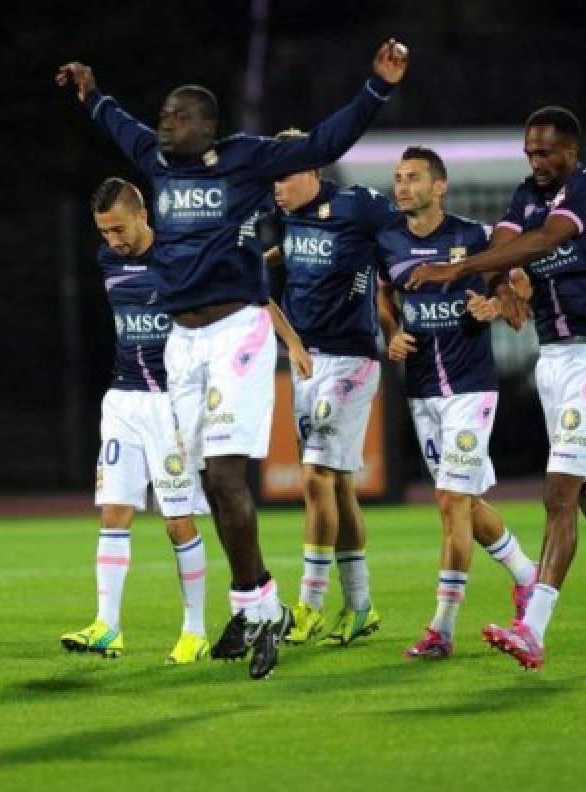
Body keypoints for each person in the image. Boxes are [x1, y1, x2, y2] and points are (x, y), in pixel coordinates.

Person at [56, 39, 408, 680]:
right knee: (208, 486)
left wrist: (376, 89)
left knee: (222, 477)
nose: (165, 123)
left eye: (178, 115)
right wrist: (92, 94)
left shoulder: (246, 159)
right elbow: (118, 125)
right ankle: (260, 604)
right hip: (183, 346)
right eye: (163, 115)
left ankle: (255, 604)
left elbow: (324, 142)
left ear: (206, 124)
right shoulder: (157, 161)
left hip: (235, 331)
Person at [406, 107, 586, 671]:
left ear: (571, 149)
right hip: (554, 357)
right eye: (530, 152)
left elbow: (542, 241)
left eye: (546, 152)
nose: (537, 162)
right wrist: (503, 285)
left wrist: (461, 270)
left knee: (560, 491)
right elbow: (507, 245)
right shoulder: (527, 194)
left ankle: (533, 627)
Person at [374, 147, 537, 659]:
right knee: (463, 500)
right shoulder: (389, 241)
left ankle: (441, 629)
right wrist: (392, 330)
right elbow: (383, 293)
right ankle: (527, 575)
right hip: (423, 390)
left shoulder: (474, 237)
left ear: (439, 187)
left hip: (470, 387)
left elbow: (518, 288)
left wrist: (496, 304)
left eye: (413, 178)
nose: (401, 187)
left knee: (449, 500)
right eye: (398, 178)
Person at [60, 177, 211, 665]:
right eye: (104, 233)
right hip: (122, 400)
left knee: (177, 520)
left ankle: (195, 630)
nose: (113, 241)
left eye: (119, 229)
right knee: (114, 510)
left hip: (171, 404)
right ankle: (108, 626)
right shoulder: (107, 261)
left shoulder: (180, 257)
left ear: (143, 216)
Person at [260, 129, 392, 650]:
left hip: (352, 360)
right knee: (336, 485)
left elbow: (404, 238)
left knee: (313, 476)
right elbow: (282, 259)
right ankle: (360, 607)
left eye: (284, 175)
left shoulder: (359, 207)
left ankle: (309, 605)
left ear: (313, 169)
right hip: (308, 361)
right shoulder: (286, 219)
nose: (276, 186)